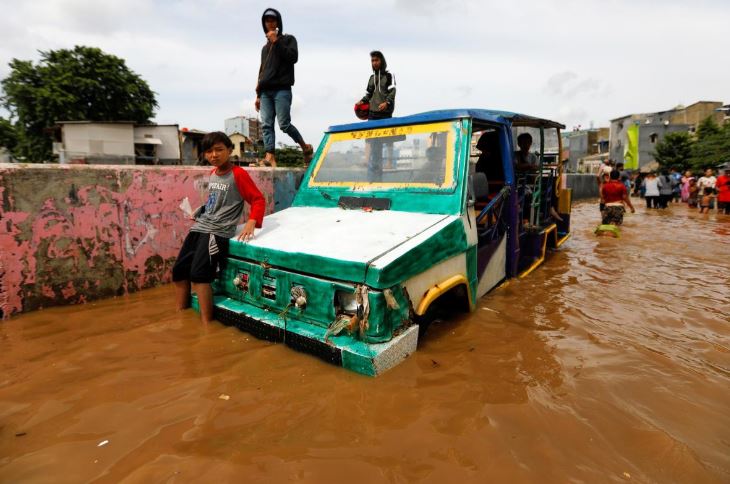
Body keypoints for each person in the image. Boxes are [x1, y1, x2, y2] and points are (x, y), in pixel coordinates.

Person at [173, 132, 266, 324]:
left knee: (199, 276)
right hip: (201, 226)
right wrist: (201, 210)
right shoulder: (213, 174)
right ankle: (181, 314)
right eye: (209, 151)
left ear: (230, 150)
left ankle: (207, 325)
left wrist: (252, 221)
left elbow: (257, 199)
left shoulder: (238, 174)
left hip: (217, 231)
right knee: (179, 272)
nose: (214, 155)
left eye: (219, 150)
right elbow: (214, 201)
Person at [255, 8, 313, 167]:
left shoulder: (288, 39)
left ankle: (305, 148)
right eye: (267, 20)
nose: (270, 23)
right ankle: (270, 157)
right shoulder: (264, 48)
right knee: (266, 125)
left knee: (284, 124)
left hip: (282, 89)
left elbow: (293, 57)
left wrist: (276, 41)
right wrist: (258, 95)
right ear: (264, 24)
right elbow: (262, 71)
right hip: (265, 91)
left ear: (278, 22)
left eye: (273, 20)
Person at [358, 51, 396, 120]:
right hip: (372, 114)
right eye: (372, 61)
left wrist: (387, 103)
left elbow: (392, 92)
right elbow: (369, 94)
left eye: (377, 60)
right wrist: (362, 101)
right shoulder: (372, 78)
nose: (374, 63)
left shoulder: (389, 75)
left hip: (385, 113)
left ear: (382, 61)